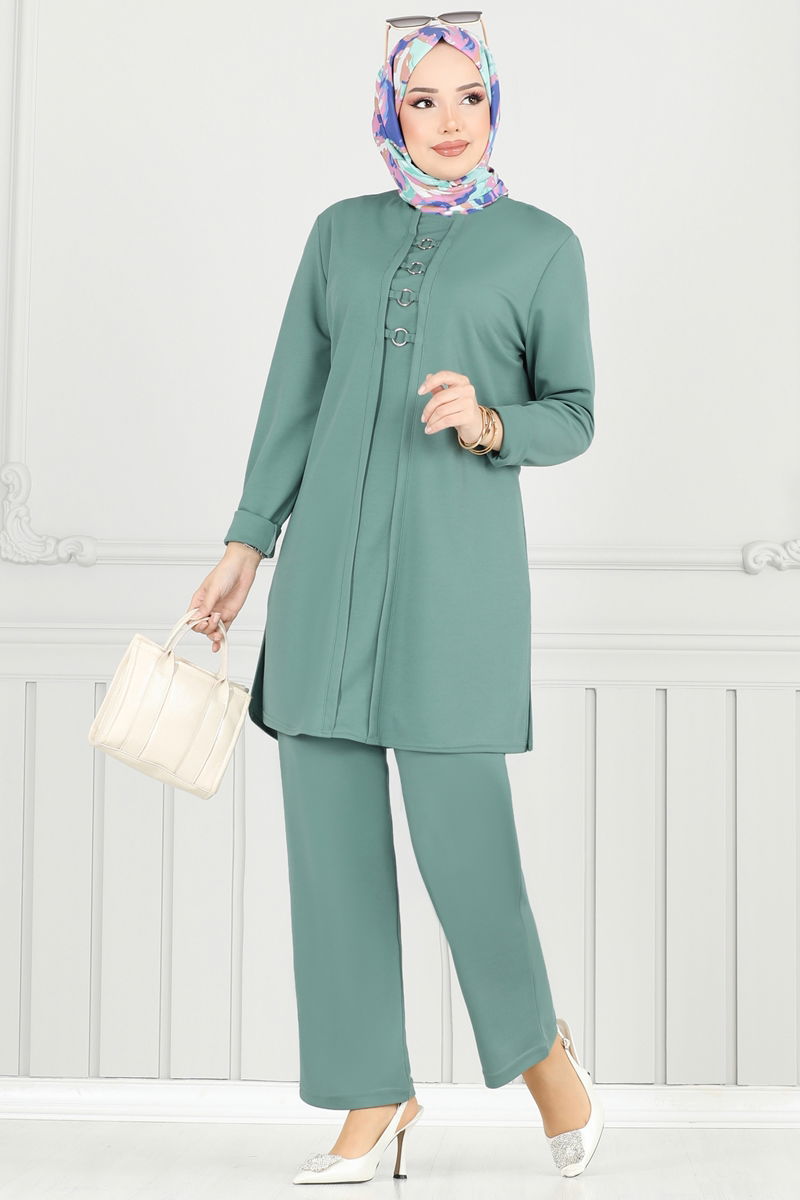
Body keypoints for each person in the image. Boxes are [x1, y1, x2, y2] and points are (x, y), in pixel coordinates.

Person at [188, 18, 603, 1183]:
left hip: (453, 591)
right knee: (329, 858)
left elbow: (573, 412)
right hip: (323, 583)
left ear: (493, 104)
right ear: (389, 113)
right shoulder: (339, 235)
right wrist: (246, 542)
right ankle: (372, 1096)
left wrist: (490, 421)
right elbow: (293, 397)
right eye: (423, 100)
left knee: (464, 851)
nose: (450, 119)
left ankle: (543, 1061)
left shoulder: (540, 248)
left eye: (469, 96)